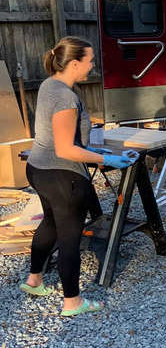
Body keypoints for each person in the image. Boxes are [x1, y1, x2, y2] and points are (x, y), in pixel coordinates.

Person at [21, 36, 137, 317]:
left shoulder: (50, 84)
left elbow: (62, 137)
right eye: (90, 61)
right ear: (74, 63)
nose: (93, 65)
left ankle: (34, 280)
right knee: (69, 236)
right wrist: (106, 158)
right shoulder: (66, 97)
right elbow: (66, 149)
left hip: (38, 168)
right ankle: (72, 301)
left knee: (49, 224)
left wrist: (90, 147)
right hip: (62, 176)